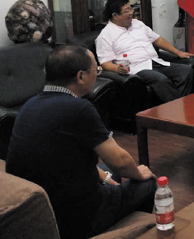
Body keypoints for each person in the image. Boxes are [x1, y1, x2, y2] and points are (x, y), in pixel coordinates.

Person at [6, 45, 156, 239]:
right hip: (79, 217)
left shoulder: (29, 105)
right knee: (148, 183)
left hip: (41, 211)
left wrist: (108, 179)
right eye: (96, 70)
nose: (97, 74)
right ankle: (135, 231)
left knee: (108, 173)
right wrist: (139, 173)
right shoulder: (79, 108)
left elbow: (65, 157)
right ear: (81, 76)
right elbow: (120, 161)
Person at [96, 0, 194, 103]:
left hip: (155, 62)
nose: (131, 13)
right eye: (126, 11)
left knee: (186, 71)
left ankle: (180, 105)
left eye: (131, 8)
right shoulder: (105, 35)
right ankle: (179, 107)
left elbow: (157, 40)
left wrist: (178, 52)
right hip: (137, 68)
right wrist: (118, 69)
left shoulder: (138, 24)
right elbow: (105, 63)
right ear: (115, 16)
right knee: (160, 80)